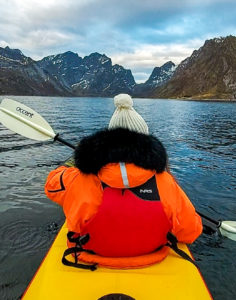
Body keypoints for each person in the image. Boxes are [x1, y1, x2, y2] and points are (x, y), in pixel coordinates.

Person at [45, 94, 202, 270]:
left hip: (89, 256)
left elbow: (51, 186)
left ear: (108, 140)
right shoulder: (166, 182)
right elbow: (191, 232)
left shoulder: (79, 178)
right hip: (151, 256)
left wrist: (74, 161)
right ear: (145, 142)